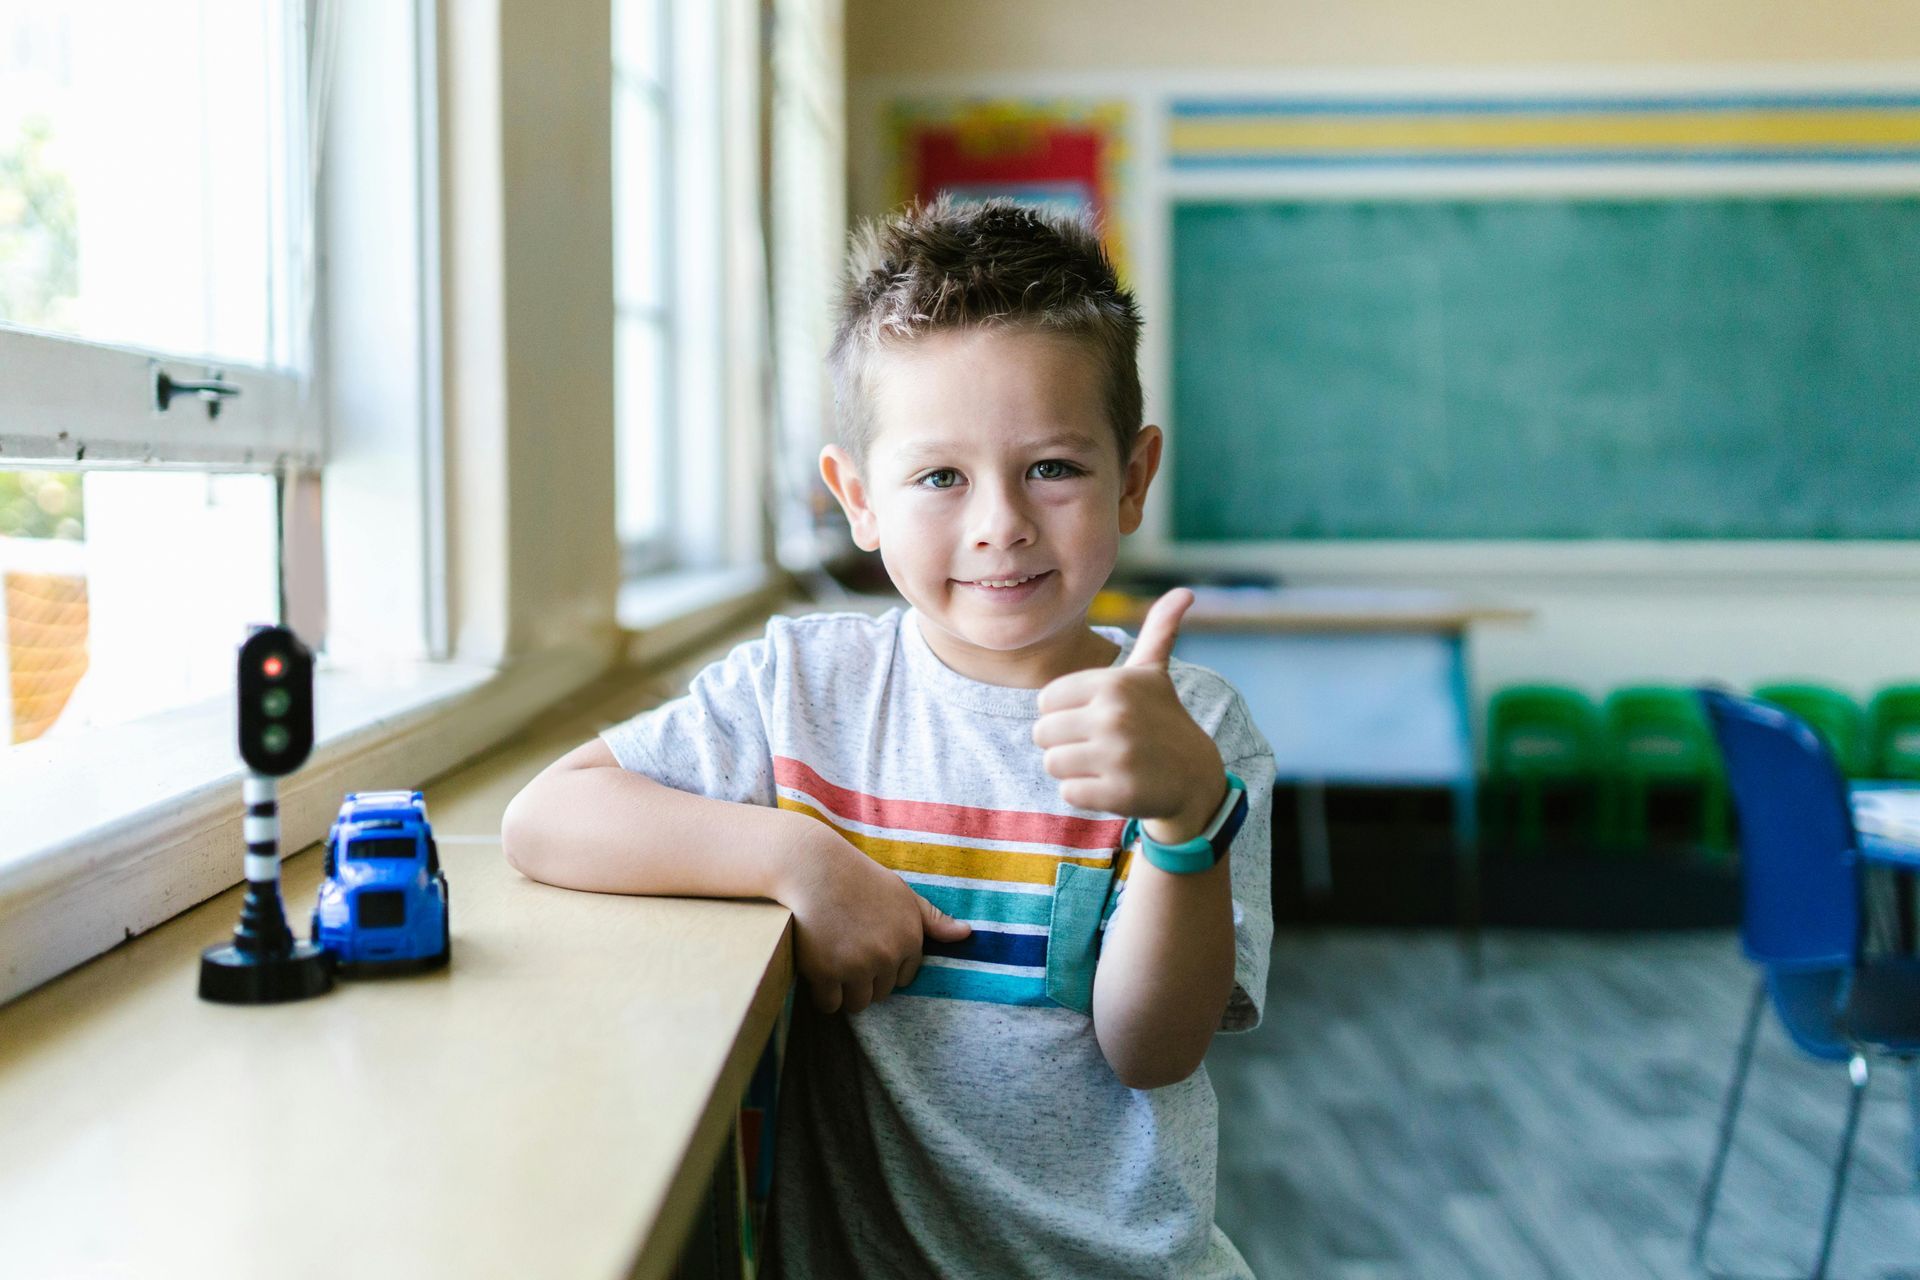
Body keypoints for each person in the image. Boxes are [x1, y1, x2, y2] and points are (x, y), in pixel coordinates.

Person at [501, 196, 1275, 1278]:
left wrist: (1186, 819)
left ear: (1133, 476)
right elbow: (546, 816)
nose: (1000, 520)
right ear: (858, 498)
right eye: (940, 477)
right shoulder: (803, 687)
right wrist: (801, 857)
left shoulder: (1194, 728)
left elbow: (1154, 1046)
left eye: (1053, 466)